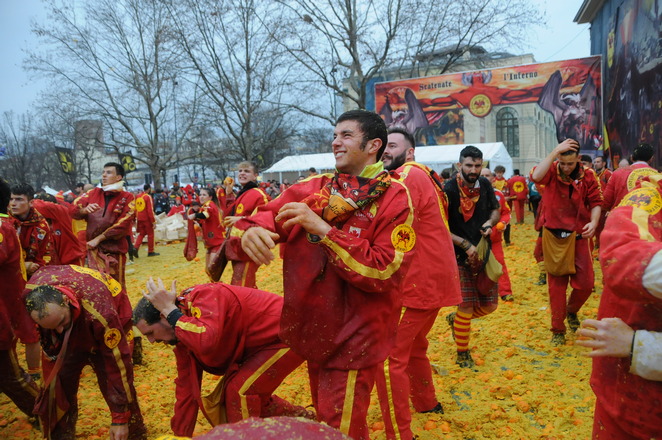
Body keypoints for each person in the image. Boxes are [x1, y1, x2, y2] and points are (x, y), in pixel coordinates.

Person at [233, 110, 414, 439]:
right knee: (326, 420)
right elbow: (267, 215)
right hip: (313, 328)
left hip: (357, 336)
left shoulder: (396, 198)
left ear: (373, 145)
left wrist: (324, 231)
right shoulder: (314, 188)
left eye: (346, 135)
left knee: (340, 427)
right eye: (334, 135)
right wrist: (250, 230)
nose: (335, 142)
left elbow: (384, 270)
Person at [133, 279, 310, 437]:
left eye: (150, 333)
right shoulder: (183, 335)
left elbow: (206, 340)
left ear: (164, 317)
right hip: (263, 345)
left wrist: (172, 313)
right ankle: (306, 422)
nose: (151, 341)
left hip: (289, 333)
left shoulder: (204, 296)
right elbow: (187, 389)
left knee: (239, 391)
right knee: (239, 396)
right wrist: (180, 436)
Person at [375, 127, 461, 440]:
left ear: (410, 152)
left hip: (419, 281)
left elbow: (381, 217)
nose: (385, 151)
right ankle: (426, 402)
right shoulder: (422, 175)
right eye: (383, 146)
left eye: (392, 145)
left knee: (390, 357)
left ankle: (400, 430)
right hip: (433, 278)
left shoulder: (407, 175)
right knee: (415, 347)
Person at [575, 172, 662, 438]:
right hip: (631, 404)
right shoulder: (649, 196)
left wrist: (639, 346)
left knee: (583, 284)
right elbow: (621, 250)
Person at [24, 265, 146, 440]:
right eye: (53, 327)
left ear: (66, 300)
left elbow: (117, 364)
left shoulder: (102, 312)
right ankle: (60, 435)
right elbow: (51, 334)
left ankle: (133, 433)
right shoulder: (29, 295)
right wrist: (53, 344)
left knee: (113, 380)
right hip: (73, 324)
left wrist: (120, 419)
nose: (60, 330)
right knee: (57, 386)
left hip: (104, 320)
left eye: (62, 321)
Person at [530, 139, 602, 345]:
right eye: (562, 163)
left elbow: (596, 202)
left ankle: (571, 310)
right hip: (554, 236)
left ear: (578, 159)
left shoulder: (589, 175)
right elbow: (536, 176)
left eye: (570, 163)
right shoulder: (552, 170)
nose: (566, 168)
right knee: (556, 287)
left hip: (579, 237)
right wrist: (554, 152)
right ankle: (558, 330)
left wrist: (594, 222)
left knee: (586, 284)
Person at [444, 146, 501, 368]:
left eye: (477, 165)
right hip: (456, 256)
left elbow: (495, 210)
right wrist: (465, 245)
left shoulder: (485, 184)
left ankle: (458, 320)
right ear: (459, 165)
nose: (473, 170)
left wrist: (489, 223)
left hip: (483, 252)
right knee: (466, 306)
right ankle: (462, 352)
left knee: (490, 306)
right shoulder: (448, 189)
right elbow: (439, 226)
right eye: (469, 165)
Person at [0, 179, 40, 422]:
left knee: (10, 375)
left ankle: (47, 414)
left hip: (5, 311)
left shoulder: (2, 227)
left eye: (20, 199)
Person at [73, 162, 136, 288]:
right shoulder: (93, 193)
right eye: (103, 172)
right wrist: (84, 210)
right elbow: (72, 210)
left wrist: (99, 238)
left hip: (115, 250)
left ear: (118, 177)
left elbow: (123, 224)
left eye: (109, 172)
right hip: (93, 250)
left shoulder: (127, 197)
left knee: (116, 287)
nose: (104, 175)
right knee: (97, 287)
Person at [219, 161, 270, 288]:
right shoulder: (243, 193)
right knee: (244, 283)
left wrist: (242, 219)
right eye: (240, 171)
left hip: (250, 247)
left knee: (241, 284)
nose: (242, 173)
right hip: (237, 247)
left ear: (255, 175)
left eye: (247, 171)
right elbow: (227, 216)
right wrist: (229, 194)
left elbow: (268, 216)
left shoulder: (258, 194)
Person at [481, 168, 514, 302]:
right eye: (482, 175)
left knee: (500, 265)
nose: (484, 177)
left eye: (487, 175)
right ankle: (480, 293)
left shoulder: (498, 195)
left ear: (493, 178)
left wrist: (503, 222)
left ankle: (505, 292)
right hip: (476, 239)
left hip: (494, 239)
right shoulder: (469, 195)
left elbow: (506, 212)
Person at [9, 183, 54, 276]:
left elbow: (45, 253)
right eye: (11, 199)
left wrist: (36, 268)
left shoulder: (41, 225)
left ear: (31, 202)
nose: (13, 203)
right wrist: (21, 265)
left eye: (19, 199)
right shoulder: (4, 222)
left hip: (34, 272)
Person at [32, 194, 85, 266]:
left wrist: (28, 202)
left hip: (71, 261)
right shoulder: (38, 222)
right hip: (51, 265)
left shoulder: (62, 212)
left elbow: (42, 206)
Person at [602, 143, 656, 212]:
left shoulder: (617, 173)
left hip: (620, 215)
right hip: (647, 217)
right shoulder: (657, 176)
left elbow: (606, 202)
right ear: (651, 159)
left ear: (632, 158)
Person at [187, 188, 225, 280]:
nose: (201, 197)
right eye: (200, 194)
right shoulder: (205, 206)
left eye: (204, 195)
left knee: (212, 269)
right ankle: (214, 285)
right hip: (211, 243)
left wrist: (194, 215)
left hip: (217, 241)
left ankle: (217, 286)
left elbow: (206, 215)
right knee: (208, 270)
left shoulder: (209, 204)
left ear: (210, 197)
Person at [134, 184, 159, 258]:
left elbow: (135, 208)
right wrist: (153, 221)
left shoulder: (138, 196)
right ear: (149, 189)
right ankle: (151, 251)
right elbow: (150, 210)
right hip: (146, 219)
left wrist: (135, 218)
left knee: (141, 234)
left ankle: (135, 247)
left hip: (139, 218)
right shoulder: (147, 197)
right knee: (150, 234)